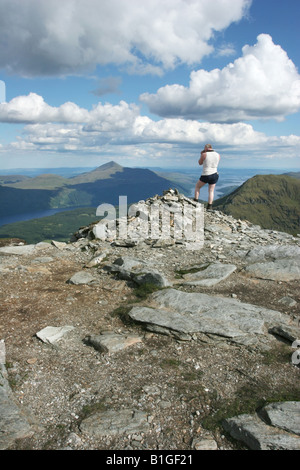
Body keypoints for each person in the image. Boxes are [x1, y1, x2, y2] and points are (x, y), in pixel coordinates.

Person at [194, 144, 220, 210]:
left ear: (206, 148)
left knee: (197, 186)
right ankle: (209, 206)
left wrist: (202, 154)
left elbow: (200, 163)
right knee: (211, 191)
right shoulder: (218, 155)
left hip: (206, 174)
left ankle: (195, 202)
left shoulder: (204, 154)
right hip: (215, 174)